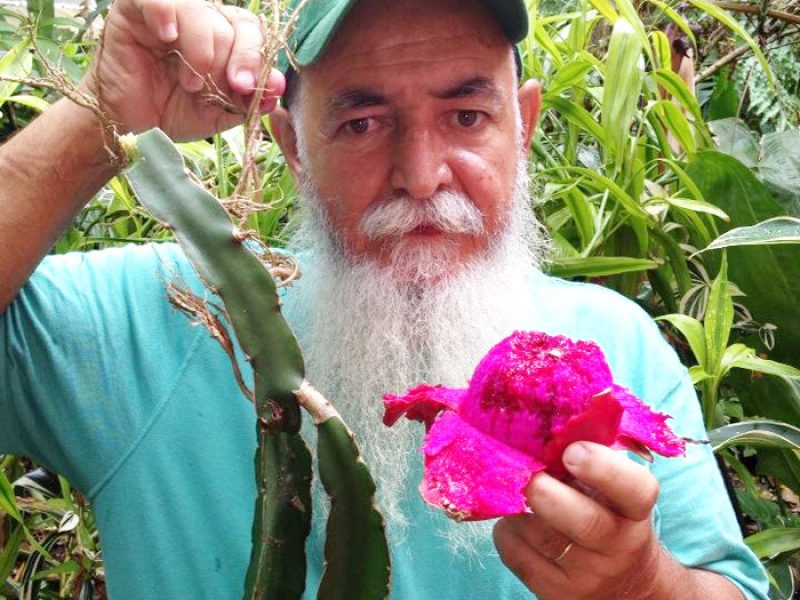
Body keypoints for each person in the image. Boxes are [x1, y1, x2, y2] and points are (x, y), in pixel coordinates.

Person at [0, 0, 769, 598]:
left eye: (467, 116)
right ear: (294, 147)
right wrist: (99, 111)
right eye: (363, 122)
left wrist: (639, 586)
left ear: (524, 124)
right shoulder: (158, 318)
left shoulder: (618, 346)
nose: (422, 173)